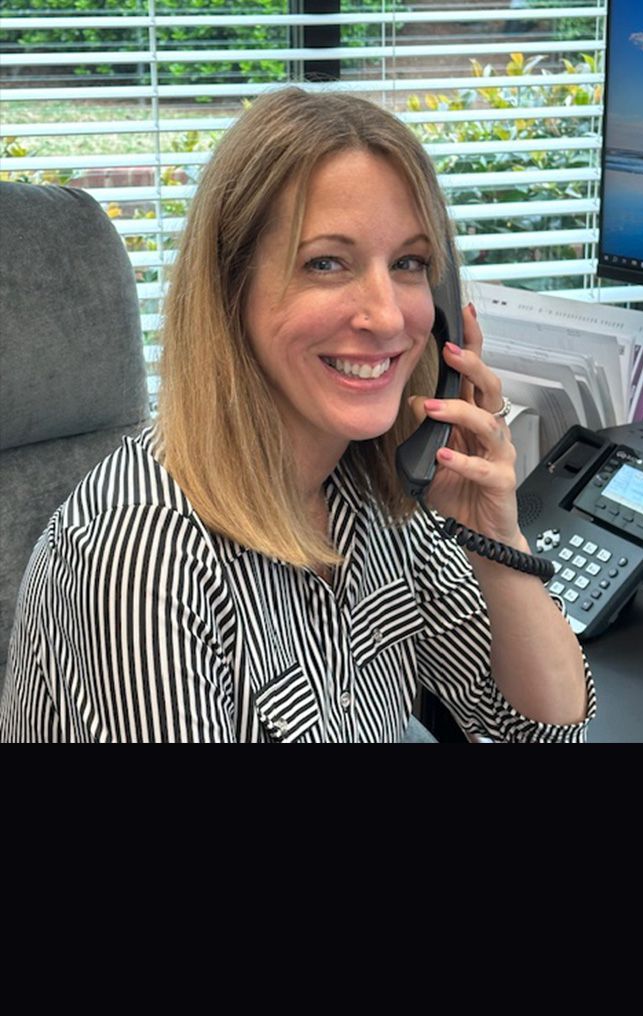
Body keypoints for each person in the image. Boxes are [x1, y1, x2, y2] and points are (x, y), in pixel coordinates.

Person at [0, 87, 595, 743]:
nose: (388, 316)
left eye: (408, 263)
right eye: (325, 263)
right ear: (231, 291)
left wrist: (496, 540)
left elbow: (541, 730)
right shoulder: (141, 555)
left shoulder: (377, 487)